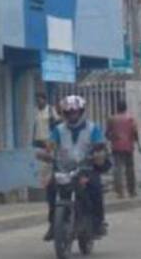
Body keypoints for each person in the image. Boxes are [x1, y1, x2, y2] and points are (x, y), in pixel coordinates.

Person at [42, 95, 108, 242]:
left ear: (81, 112)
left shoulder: (92, 128)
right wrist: (47, 152)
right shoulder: (58, 130)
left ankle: (98, 223)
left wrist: (98, 154)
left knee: (96, 187)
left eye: (75, 112)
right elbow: (51, 145)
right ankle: (53, 223)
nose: (72, 115)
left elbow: (100, 145)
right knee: (51, 187)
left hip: (86, 168)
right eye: (69, 113)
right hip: (63, 168)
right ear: (64, 114)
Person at [106, 99, 141, 199]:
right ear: (126, 107)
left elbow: (107, 134)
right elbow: (135, 133)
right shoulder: (131, 119)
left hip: (116, 146)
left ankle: (120, 192)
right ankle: (132, 191)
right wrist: (138, 144)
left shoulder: (112, 119)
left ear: (117, 108)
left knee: (118, 169)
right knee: (130, 169)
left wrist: (113, 138)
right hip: (129, 146)